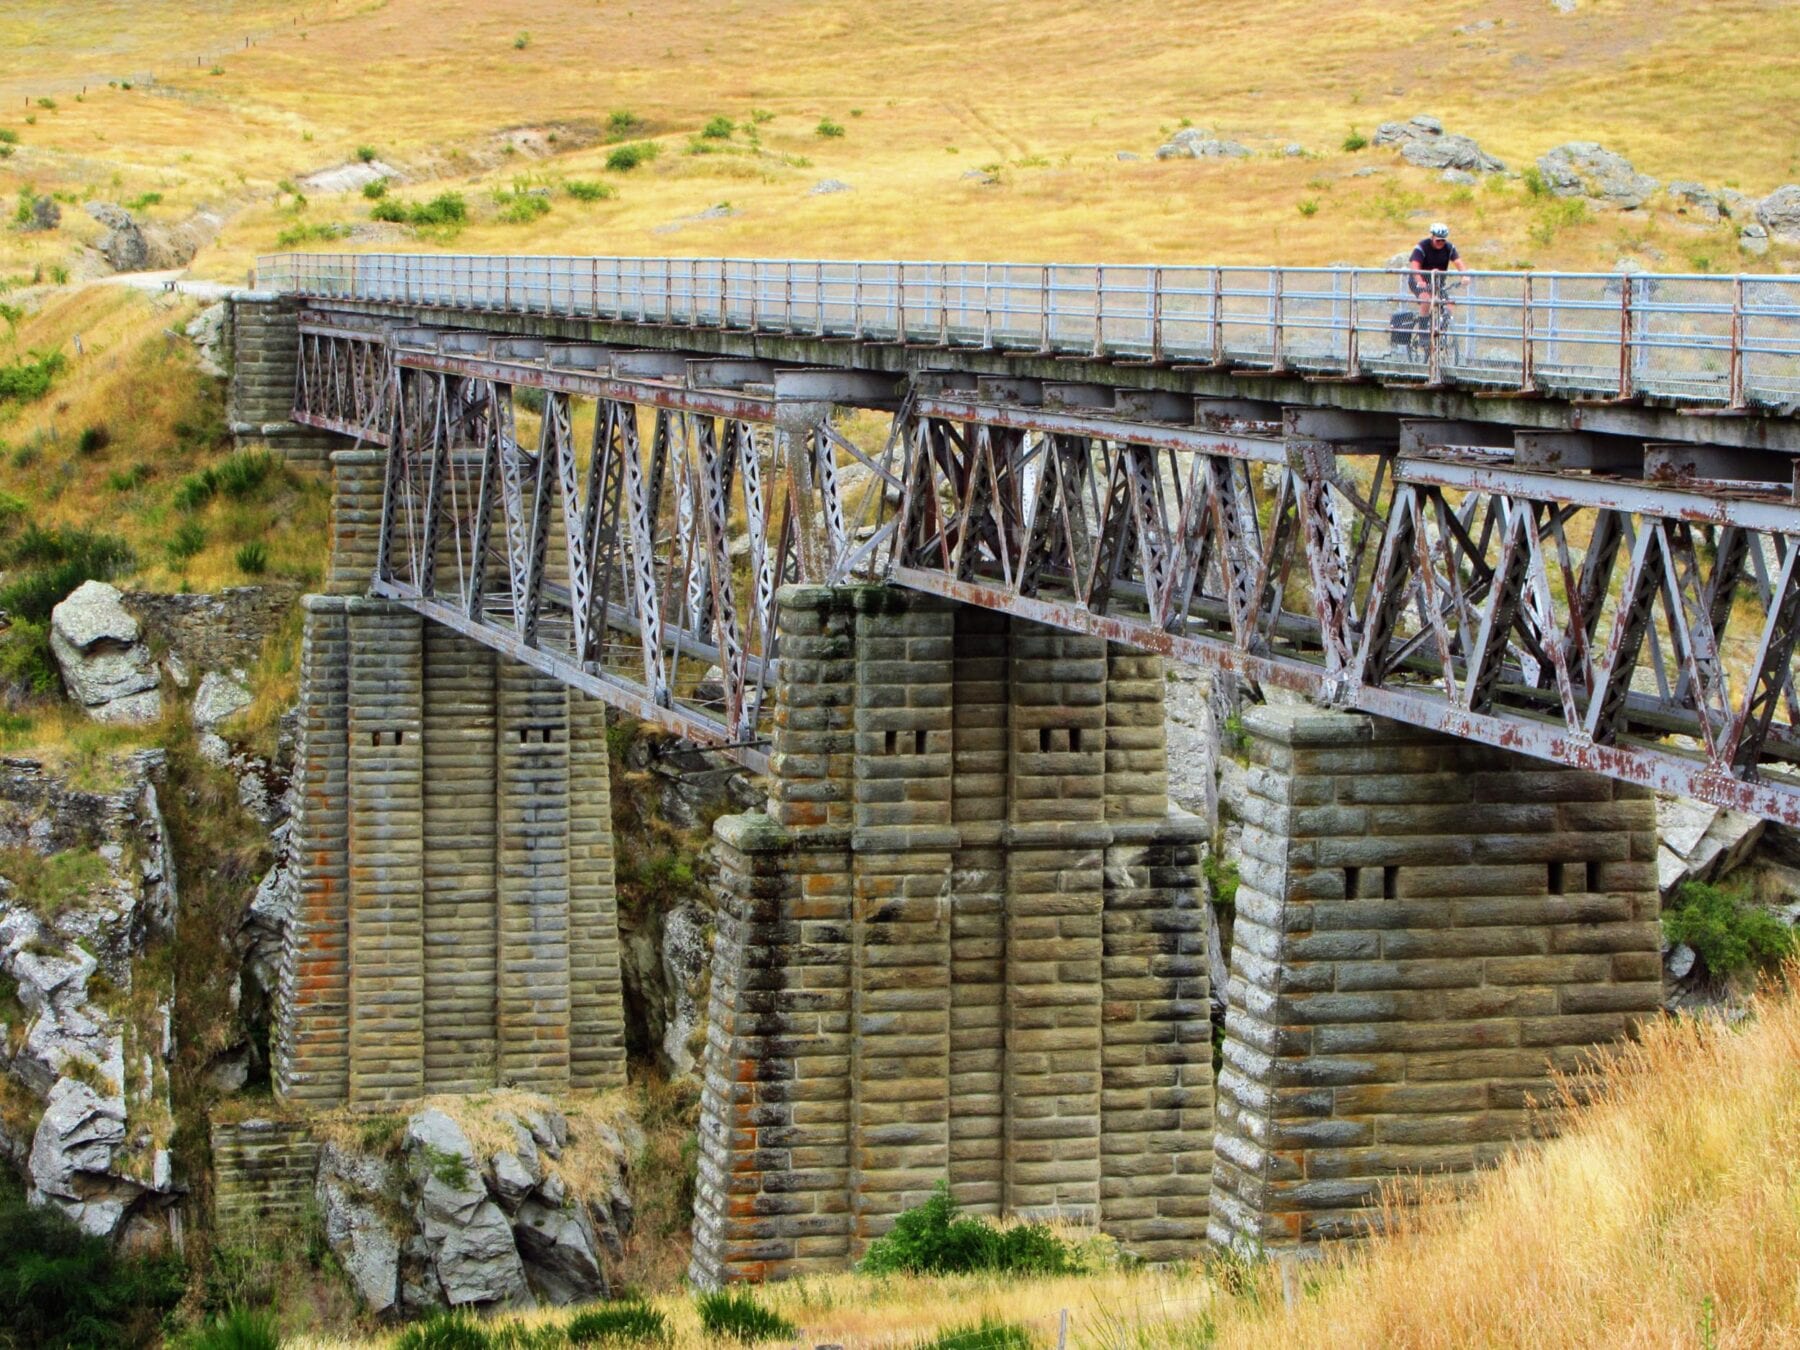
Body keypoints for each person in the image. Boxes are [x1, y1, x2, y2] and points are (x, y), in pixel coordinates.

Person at [1408, 222, 1466, 317]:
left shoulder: (1449, 247)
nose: (1440, 243)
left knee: (1449, 304)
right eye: (1438, 240)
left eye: (1443, 240)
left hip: (1437, 282)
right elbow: (1415, 266)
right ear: (1432, 237)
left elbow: (1458, 262)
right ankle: (1423, 329)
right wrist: (1420, 281)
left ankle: (1442, 327)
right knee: (1426, 300)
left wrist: (1465, 276)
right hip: (1419, 280)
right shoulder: (1422, 246)